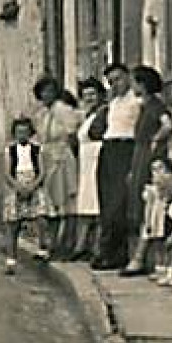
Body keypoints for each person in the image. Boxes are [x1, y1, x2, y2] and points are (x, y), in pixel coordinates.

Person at [121, 65, 172, 276]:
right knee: (140, 205)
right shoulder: (145, 106)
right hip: (140, 155)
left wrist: (154, 141)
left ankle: (140, 259)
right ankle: (140, 257)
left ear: (142, 84)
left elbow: (167, 124)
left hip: (149, 158)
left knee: (150, 208)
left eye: (134, 82)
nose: (132, 86)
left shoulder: (154, 105)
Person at [88, 61, 138, 269]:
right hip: (109, 150)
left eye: (118, 79)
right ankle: (106, 251)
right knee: (106, 203)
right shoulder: (112, 104)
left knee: (120, 204)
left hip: (126, 149)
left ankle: (118, 253)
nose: (115, 85)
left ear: (128, 77)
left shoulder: (136, 101)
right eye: (111, 82)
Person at [32, 74, 84, 259]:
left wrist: (67, 155)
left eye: (50, 91)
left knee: (66, 203)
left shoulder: (62, 109)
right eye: (43, 92)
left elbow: (72, 133)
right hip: (47, 158)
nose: (46, 95)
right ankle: (51, 244)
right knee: (50, 204)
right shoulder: (43, 114)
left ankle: (67, 244)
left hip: (62, 157)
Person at [1, 116, 54, 275]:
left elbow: (42, 171)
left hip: (34, 183)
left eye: (25, 132)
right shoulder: (10, 150)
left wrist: (33, 186)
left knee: (41, 218)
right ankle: (11, 259)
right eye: (18, 132)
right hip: (16, 184)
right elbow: (7, 172)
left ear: (30, 133)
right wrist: (18, 186)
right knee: (13, 224)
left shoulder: (37, 149)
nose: (22, 135)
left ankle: (42, 248)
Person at [71, 78, 107, 260]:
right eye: (85, 95)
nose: (89, 98)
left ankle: (97, 248)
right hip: (86, 161)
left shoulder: (104, 112)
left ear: (101, 95)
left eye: (93, 94)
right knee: (86, 203)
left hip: (98, 157)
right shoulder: (87, 115)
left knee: (97, 202)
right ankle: (83, 245)